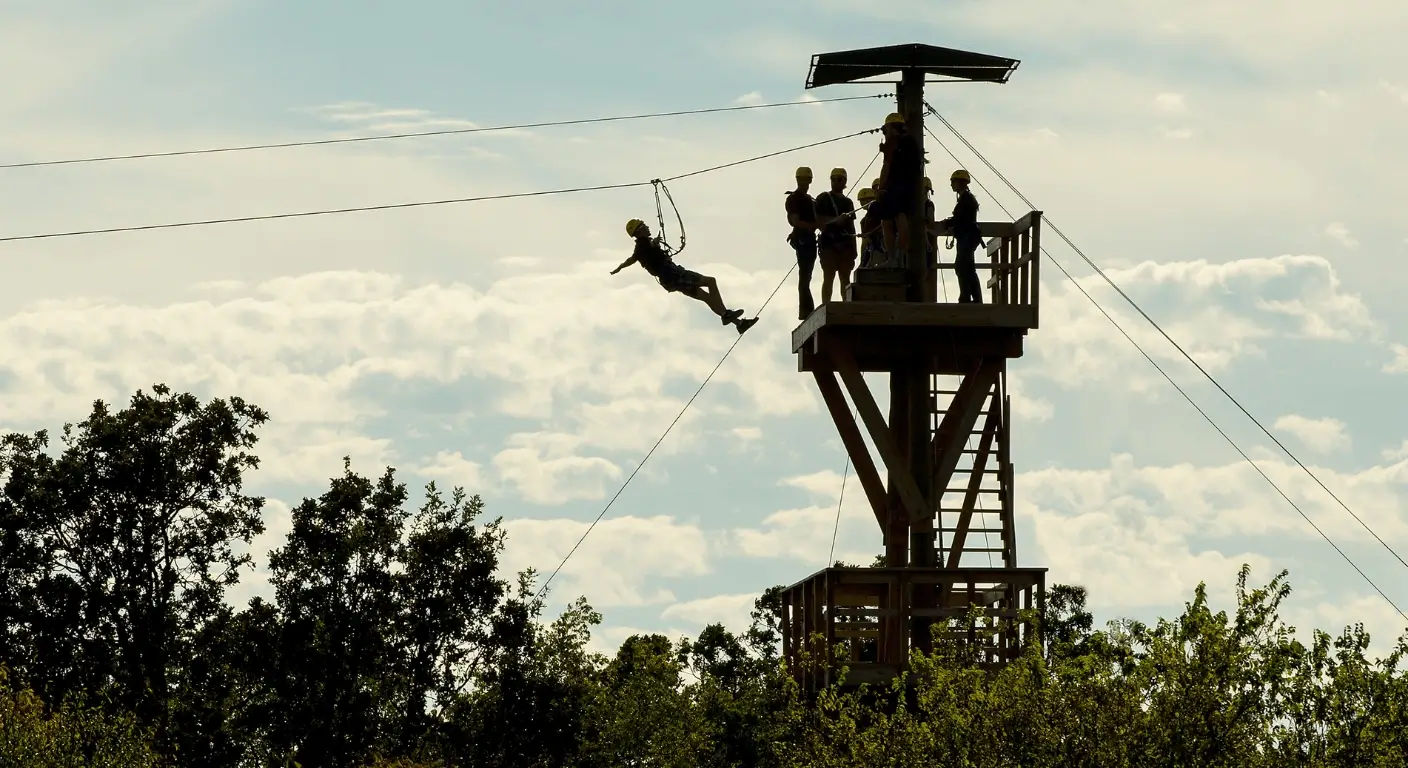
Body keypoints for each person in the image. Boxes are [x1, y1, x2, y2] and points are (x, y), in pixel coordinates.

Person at [612, 218, 759, 333]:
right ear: (638, 231)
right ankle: (727, 315)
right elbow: (638, 256)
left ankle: (739, 324)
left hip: (669, 281)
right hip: (673, 274)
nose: (647, 227)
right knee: (710, 281)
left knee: (707, 297)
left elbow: (635, 258)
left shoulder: (643, 246)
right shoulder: (643, 244)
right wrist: (653, 246)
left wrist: (620, 267)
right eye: (643, 225)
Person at [870, 112, 924, 264]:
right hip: (911, 188)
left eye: (885, 129)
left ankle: (892, 257)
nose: (885, 133)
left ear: (890, 127)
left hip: (894, 187)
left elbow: (886, 167)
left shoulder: (892, 143)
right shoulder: (912, 143)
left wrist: (880, 189)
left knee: (886, 221)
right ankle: (901, 257)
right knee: (902, 219)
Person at [938, 169, 983, 304]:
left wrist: (949, 223)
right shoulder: (966, 199)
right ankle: (975, 299)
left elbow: (962, 219)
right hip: (967, 237)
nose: (952, 185)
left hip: (967, 237)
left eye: (954, 182)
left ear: (962, 183)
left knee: (961, 267)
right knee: (968, 268)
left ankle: (966, 297)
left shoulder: (967, 200)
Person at [814, 167, 857, 304]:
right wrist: (835, 220)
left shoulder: (848, 202)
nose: (835, 182)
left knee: (845, 277)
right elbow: (818, 221)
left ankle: (846, 304)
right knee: (829, 276)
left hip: (845, 244)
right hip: (829, 244)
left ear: (844, 182)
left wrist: (854, 248)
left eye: (839, 179)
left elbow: (851, 227)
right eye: (833, 179)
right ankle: (826, 304)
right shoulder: (824, 198)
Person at [785, 167, 820, 319]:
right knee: (805, 275)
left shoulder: (807, 199)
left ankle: (806, 310)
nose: (805, 182)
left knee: (806, 275)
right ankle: (806, 310)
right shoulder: (795, 199)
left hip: (807, 238)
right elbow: (795, 221)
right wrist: (813, 226)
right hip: (803, 239)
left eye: (807, 179)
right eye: (803, 179)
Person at [855, 187, 884, 269]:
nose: (862, 203)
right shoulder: (865, 219)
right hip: (873, 244)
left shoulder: (875, 209)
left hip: (878, 243)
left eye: (863, 201)